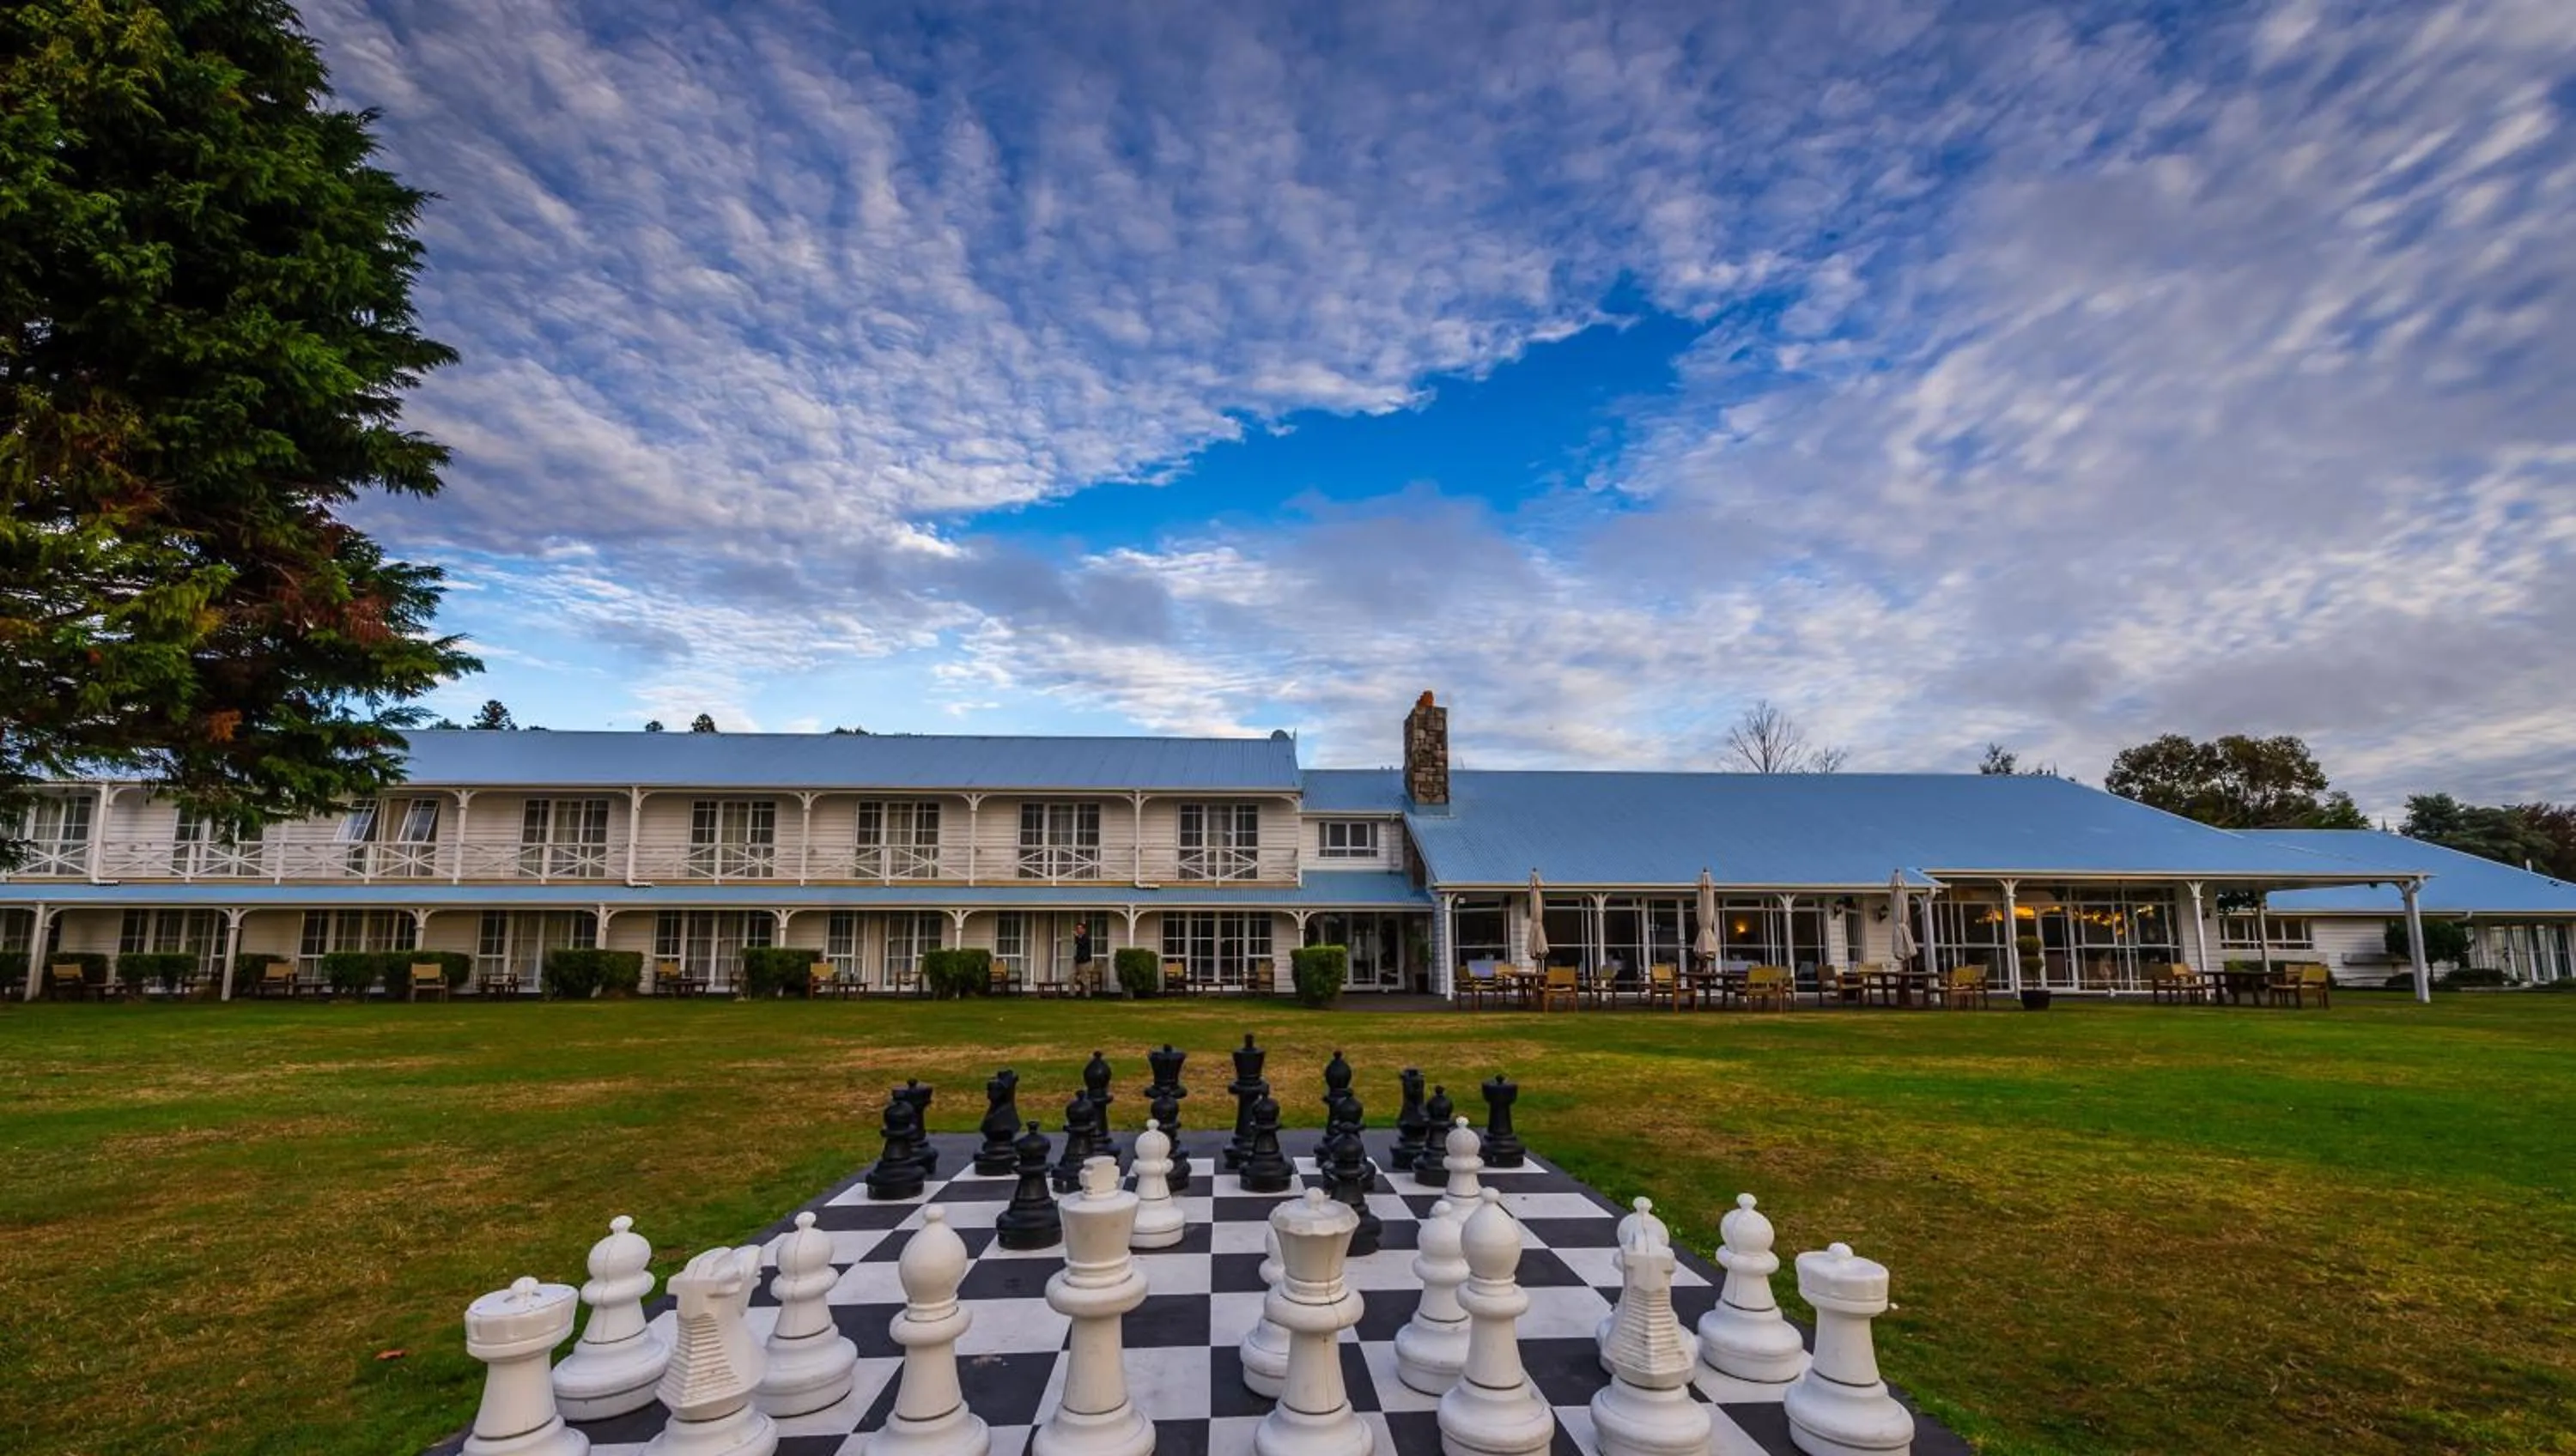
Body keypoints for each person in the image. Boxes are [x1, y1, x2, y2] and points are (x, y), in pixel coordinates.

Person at [1072, 920, 1094, 995]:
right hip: (1077, 961)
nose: (1078, 930)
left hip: (1085, 962)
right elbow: (1077, 947)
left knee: (1085, 980)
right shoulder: (1078, 938)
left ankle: (1087, 995)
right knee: (1071, 977)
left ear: (1084, 930)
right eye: (1077, 928)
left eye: (1080, 928)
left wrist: (1077, 937)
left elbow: (1082, 944)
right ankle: (1072, 994)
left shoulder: (1086, 938)